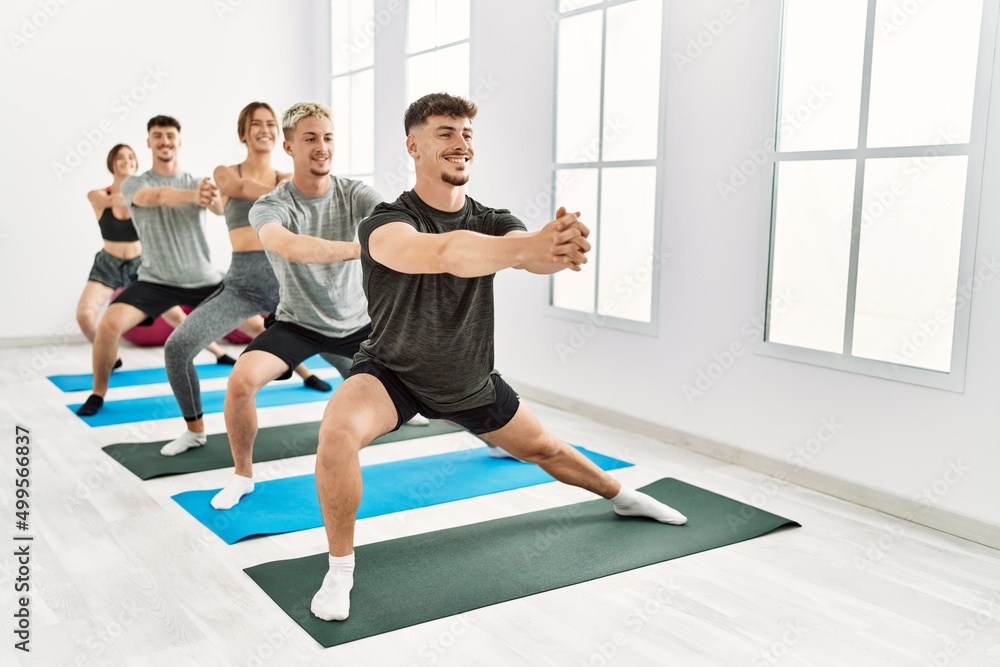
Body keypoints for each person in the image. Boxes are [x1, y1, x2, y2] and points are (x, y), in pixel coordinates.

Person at [308, 93, 687, 622]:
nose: (460, 143)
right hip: (392, 375)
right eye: (445, 132)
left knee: (547, 449)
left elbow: (529, 254)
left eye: (467, 133)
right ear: (413, 146)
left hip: (470, 380)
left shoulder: (493, 219)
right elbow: (444, 254)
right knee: (336, 435)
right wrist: (525, 249)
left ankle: (622, 495)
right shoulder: (384, 222)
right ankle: (340, 569)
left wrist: (555, 248)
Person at [209, 102, 426, 510]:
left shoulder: (354, 193)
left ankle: (491, 436)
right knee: (240, 383)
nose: (321, 147)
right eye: (310, 138)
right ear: (289, 146)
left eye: (327, 137)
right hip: (299, 323)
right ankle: (242, 476)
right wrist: (361, 250)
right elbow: (290, 246)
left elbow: (393, 223)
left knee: (437, 374)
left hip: (358, 324)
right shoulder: (270, 205)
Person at [159, 103, 334, 457]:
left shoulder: (288, 177)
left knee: (349, 350)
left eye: (271, 123)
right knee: (177, 348)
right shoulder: (227, 174)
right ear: (244, 132)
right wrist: (218, 197)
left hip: (288, 283)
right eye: (257, 123)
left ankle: (394, 408)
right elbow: (234, 189)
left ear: (280, 135)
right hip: (241, 284)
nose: (265, 129)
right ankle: (194, 431)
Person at [76, 115, 226, 416]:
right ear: (149, 142)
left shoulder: (196, 181)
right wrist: (193, 196)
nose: (164, 141)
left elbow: (220, 209)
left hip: (192, 274)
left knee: (255, 323)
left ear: (179, 141)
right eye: (158, 136)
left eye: (170, 135)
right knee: (106, 325)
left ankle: (295, 368)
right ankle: (98, 392)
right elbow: (156, 196)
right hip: (145, 275)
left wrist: (211, 194)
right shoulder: (133, 184)